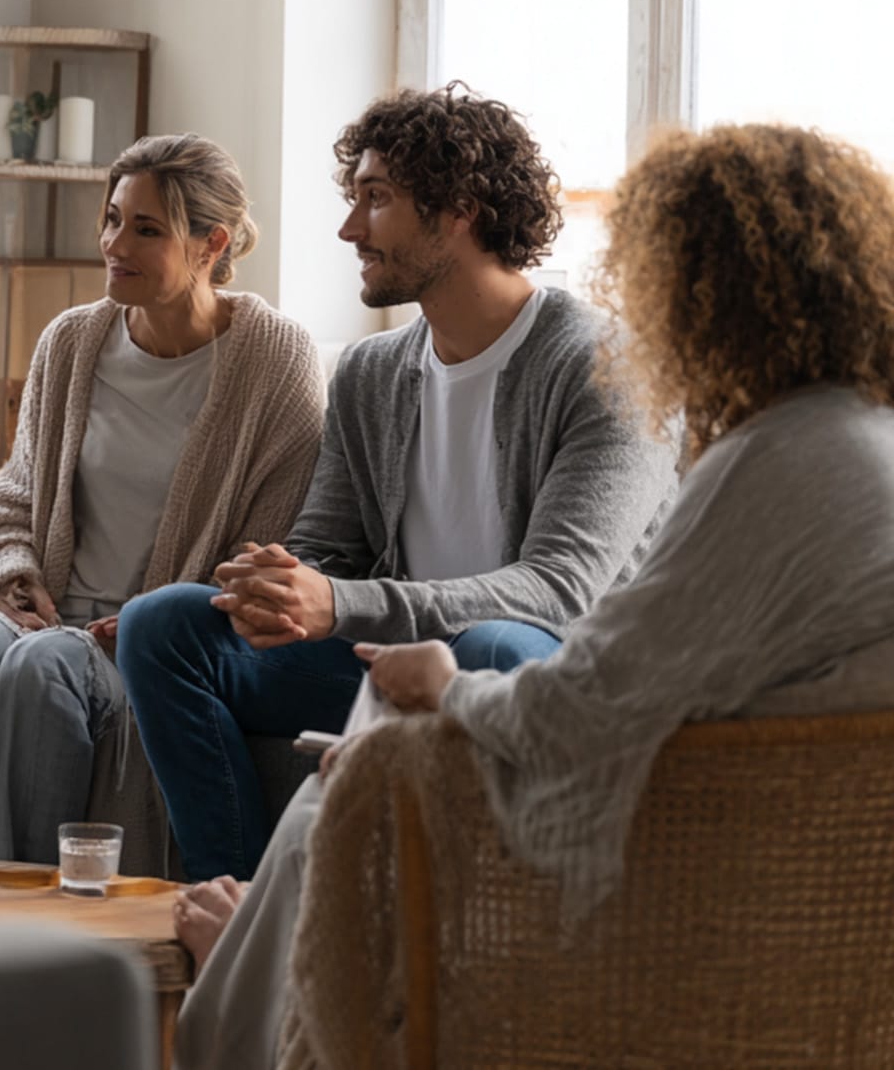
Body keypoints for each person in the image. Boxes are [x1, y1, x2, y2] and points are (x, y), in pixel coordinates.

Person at [174, 121, 894, 1069]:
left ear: (708, 298)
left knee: (360, 781)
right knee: (248, 673)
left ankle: (252, 1009)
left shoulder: (776, 461)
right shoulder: (862, 443)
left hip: (710, 863)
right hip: (812, 887)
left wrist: (444, 681)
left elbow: (587, 692)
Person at [118, 84, 678, 883]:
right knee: (162, 624)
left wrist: (341, 604)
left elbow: (559, 591)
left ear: (460, 208)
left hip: (546, 667)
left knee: (486, 648)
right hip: (386, 653)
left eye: (375, 200)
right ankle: (235, 904)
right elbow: (326, 548)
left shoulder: (608, 366)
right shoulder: (373, 371)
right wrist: (264, 587)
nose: (350, 229)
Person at [0, 134, 325, 870]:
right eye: (113, 218)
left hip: (150, 638)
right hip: (46, 607)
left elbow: (270, 543)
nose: (114, 243)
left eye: (146, 228)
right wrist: (13, 574)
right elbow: (13, 497)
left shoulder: (273, 358)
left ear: (210, 244)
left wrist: (161, 618)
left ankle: (33, 933)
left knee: (41, 670)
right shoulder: (71, 340)